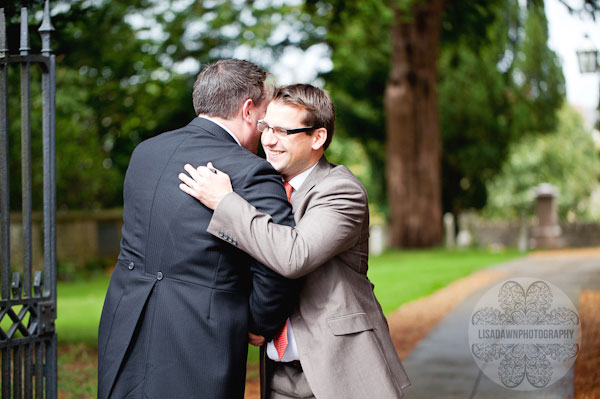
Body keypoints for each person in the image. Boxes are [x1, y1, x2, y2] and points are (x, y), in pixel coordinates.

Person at [178, 84, 410, 399]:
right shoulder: (264, 189)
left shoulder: (341, 190)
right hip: (278, 373)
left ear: (318, 137)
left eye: (284, 131)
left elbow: (293, 256)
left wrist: (225, 202)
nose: (269, 140)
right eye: (266, 127)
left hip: (340, 367)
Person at [97, 59, 299, 399]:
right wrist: (258, 323)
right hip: (200, 335)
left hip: (125, 320)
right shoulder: (252, 171)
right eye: (264, 117)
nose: (266, 129)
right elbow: (276, 262)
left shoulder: (145, 153)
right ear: (248, 110)